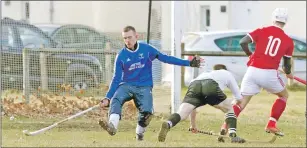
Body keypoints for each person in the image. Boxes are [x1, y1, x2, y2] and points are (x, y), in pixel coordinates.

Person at [99, 26, 203, 141]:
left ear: (136, 36)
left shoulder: (147, 49)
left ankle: (139, 134)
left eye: (129, 37)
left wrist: (189, 63)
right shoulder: (121, 56)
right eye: (125, 38)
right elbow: (116, 79)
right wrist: (108, 97)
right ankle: (112, 126)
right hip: (126, 85)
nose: (127, 41)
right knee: (116, 98)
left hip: (144, 86)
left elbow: (166, 58)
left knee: (147, 113)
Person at [219, 8, 294, 137]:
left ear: (273, 19)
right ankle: (271, 123)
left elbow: (243, 42)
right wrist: (288, 73)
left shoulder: (262, 31)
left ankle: (226, 125)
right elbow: (286, 65)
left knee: (241, 102)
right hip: (269, 74)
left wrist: (250, 54)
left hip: (252, 71)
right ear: (285, 22)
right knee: (284, 96)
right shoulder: (288, 41)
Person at [157, 64, 246, 143]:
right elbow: (239, 98)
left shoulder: (206, 73)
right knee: (230, 108)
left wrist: (193, 125)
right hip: (210, 84)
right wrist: (231, 103)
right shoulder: (227, 74)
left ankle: (168, 123)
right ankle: (233, 136)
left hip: (194, 84)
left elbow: (194, 108)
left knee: (182, 113)